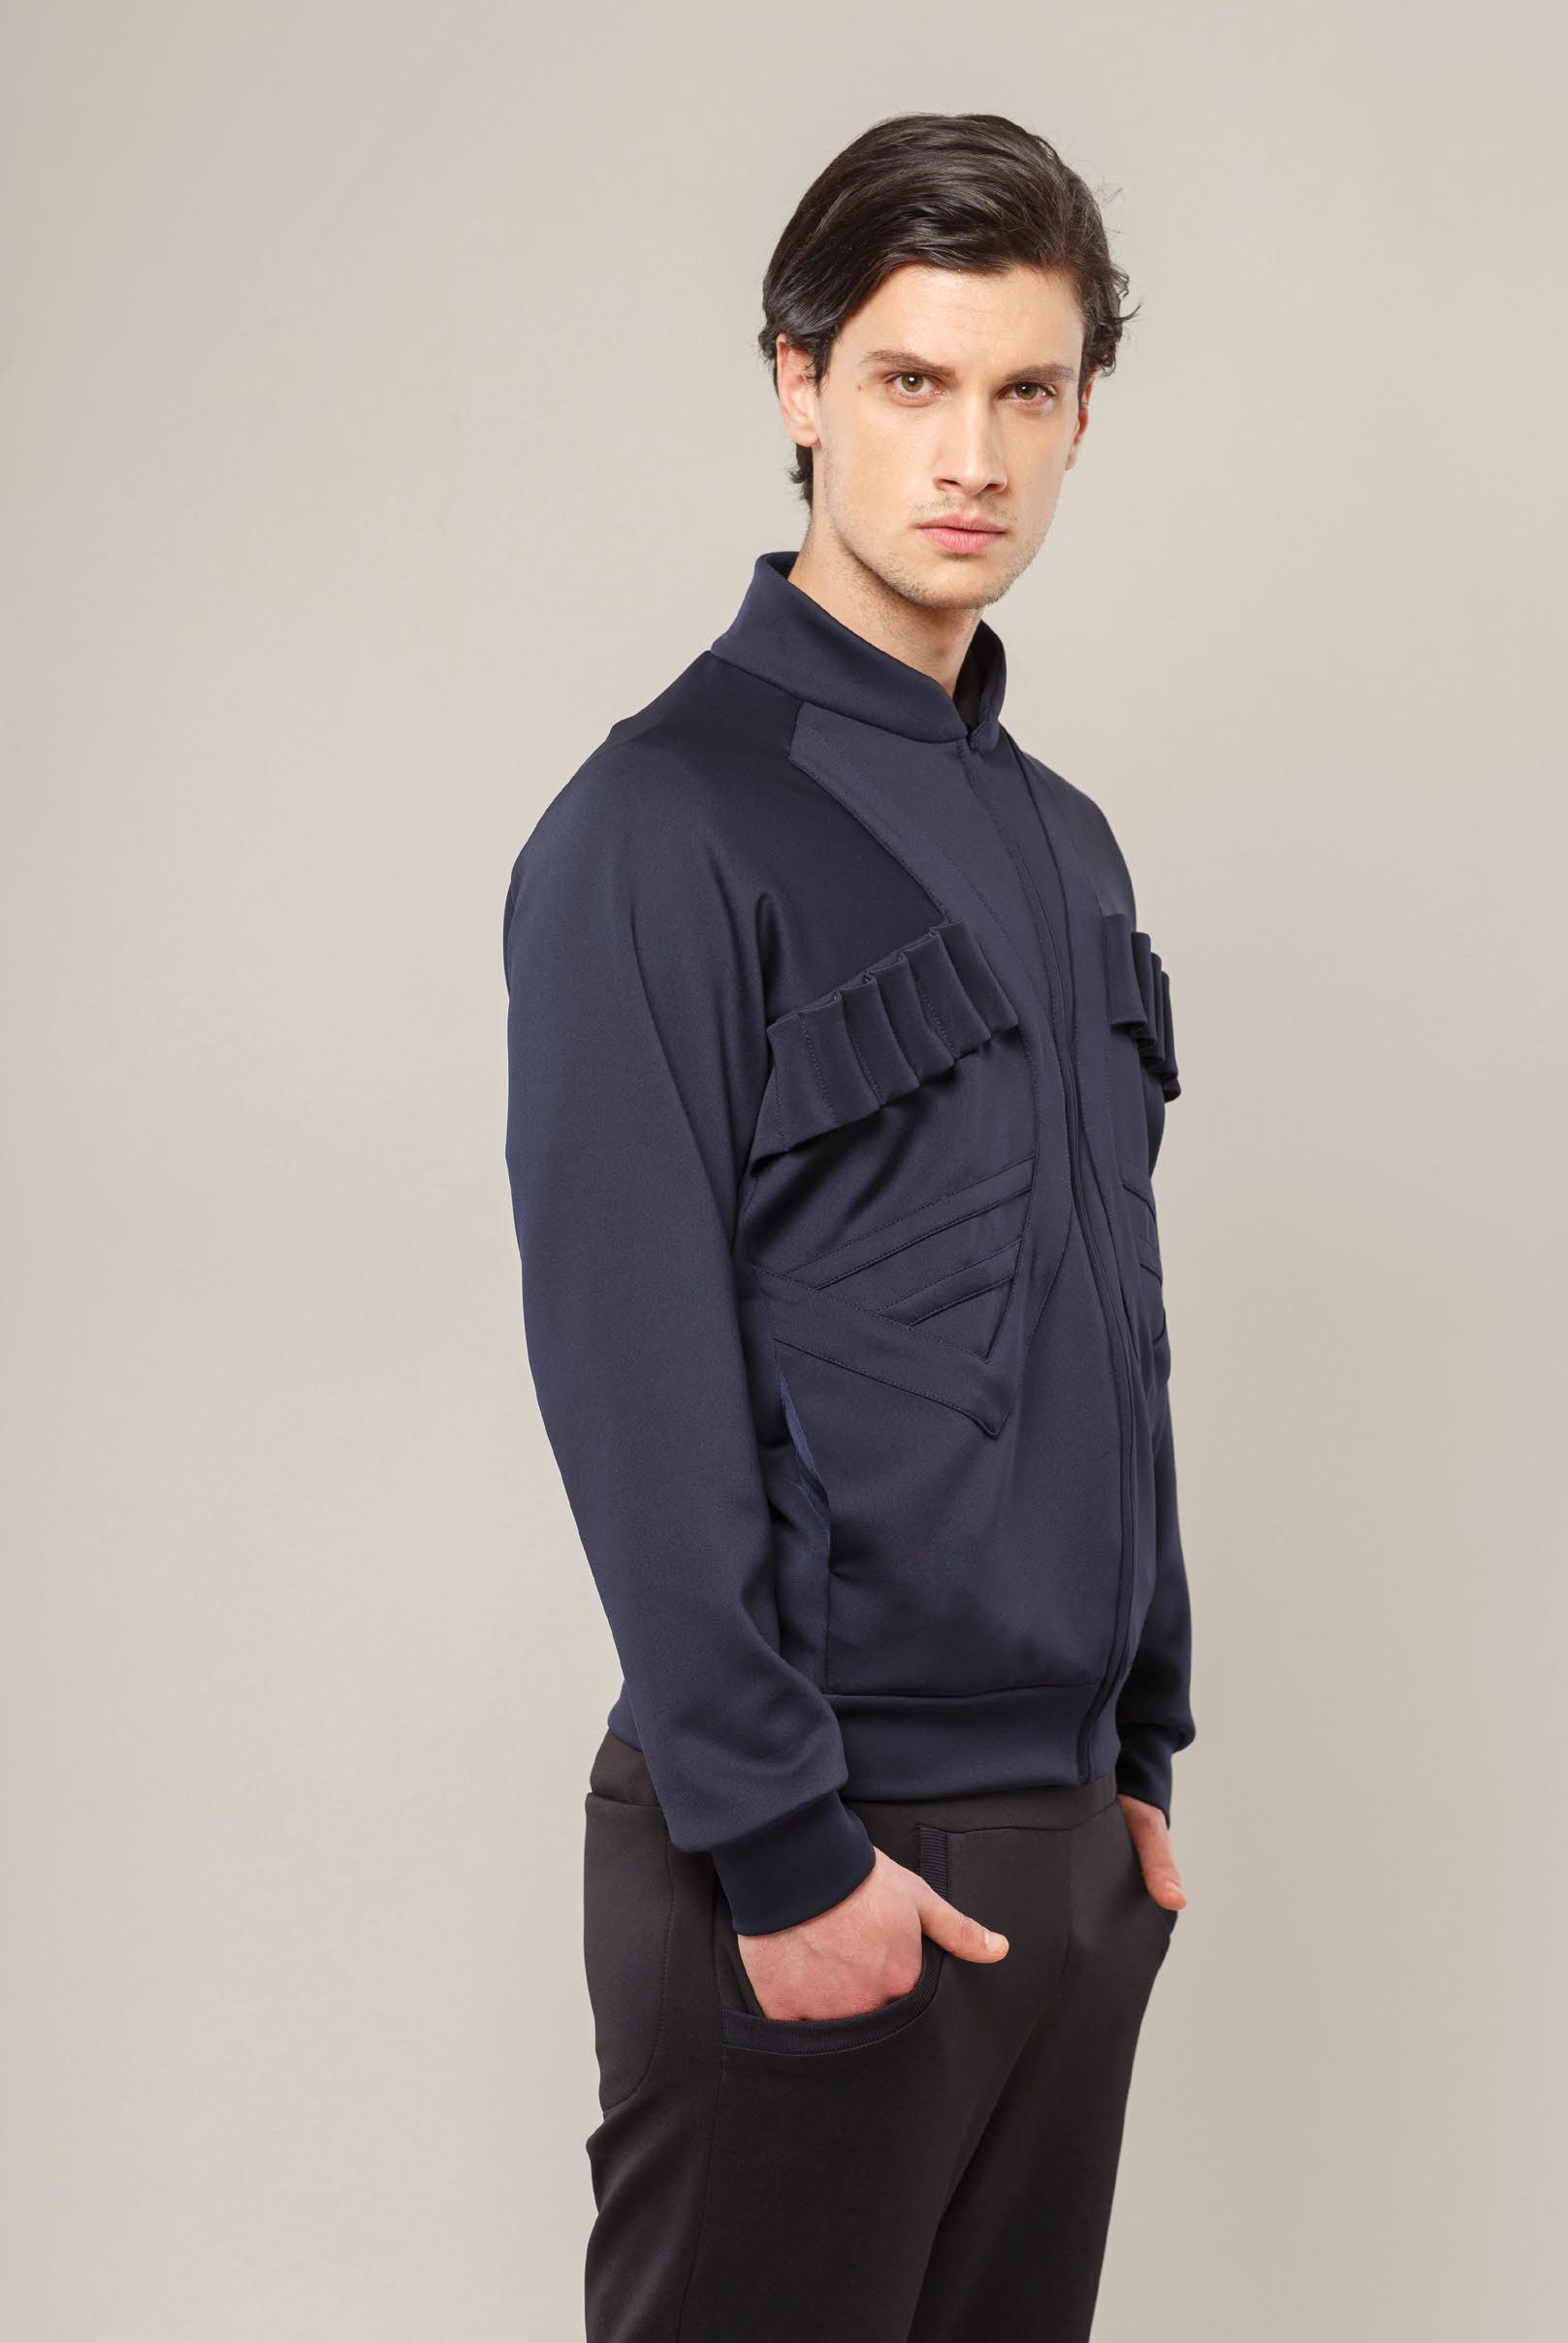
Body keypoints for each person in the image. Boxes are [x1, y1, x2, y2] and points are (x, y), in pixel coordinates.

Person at [501, 109, 1197, 2343]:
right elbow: (628, 1365)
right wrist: (781, 1844)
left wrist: (1133, 1762)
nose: (969, 454)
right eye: (910, 380)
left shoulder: (1066, 843)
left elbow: (1106, 1310)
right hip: (816, 1842)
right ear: (798, 383)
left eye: (1023, 390)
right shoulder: (656, 826)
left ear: (1080, 411)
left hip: (1057, 1851)